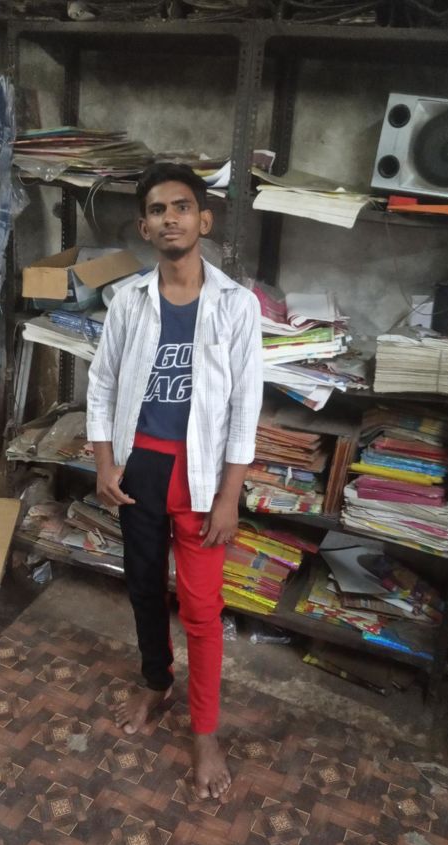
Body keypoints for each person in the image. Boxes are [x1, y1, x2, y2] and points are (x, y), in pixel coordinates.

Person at [86, 163, 263, 799]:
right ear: (144, 227)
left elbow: (244, 407)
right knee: (142, 587)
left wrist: (229, 497)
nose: (170, 219)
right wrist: (105, 462)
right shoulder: (127, 301)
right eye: (157, 210)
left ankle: (205, 730)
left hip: (201, 477)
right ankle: (156, 683)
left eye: (182, 207)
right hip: (141, 469)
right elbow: (102, 384)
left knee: (201, 609)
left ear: (203, 220)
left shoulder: (236, 306)